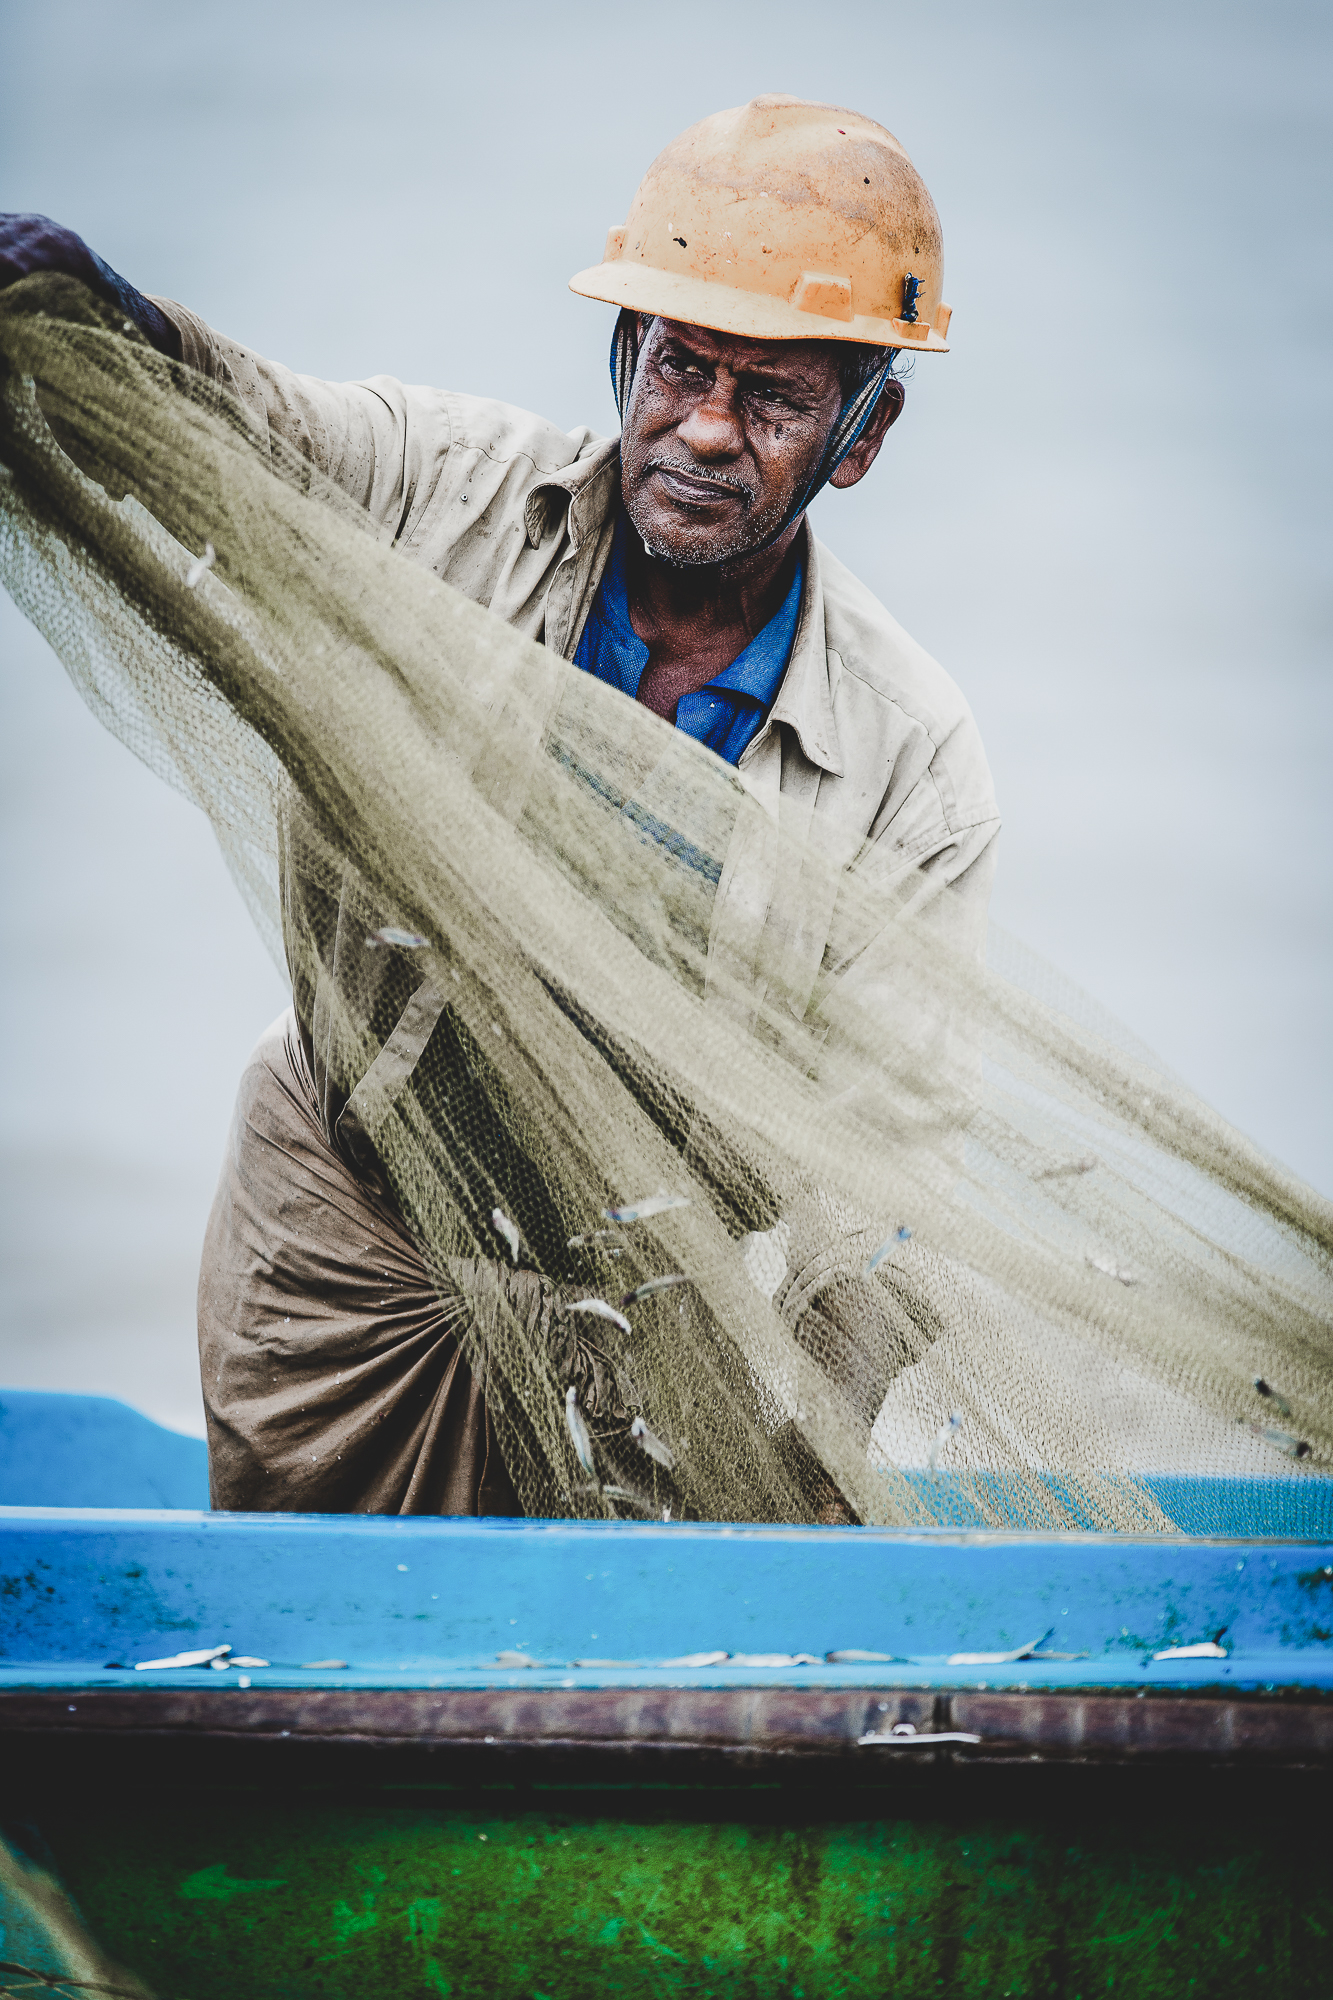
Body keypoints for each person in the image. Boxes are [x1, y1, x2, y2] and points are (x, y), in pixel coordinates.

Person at [0, 96, 999, 1517]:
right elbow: (248, 421)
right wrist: (102, 317)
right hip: (345, 1249)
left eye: (771, 398)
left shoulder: (907, 757)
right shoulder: (445, 488)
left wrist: (785, 1491)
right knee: (307, 1666)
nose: (704, 429)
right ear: (621, 352)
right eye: (679, 365)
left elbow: (888, 1183)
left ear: (860, 434)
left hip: (649, 1314)